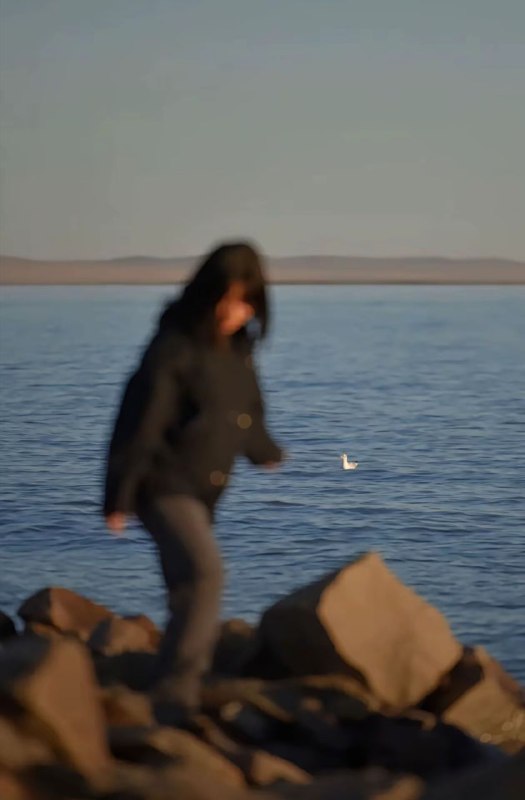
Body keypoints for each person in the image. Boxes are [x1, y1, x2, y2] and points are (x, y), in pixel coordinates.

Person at [102, 241, 283, 719]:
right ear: (206, 295)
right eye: (227, 300)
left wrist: (265, 453)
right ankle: (175, 696)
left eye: (245, 303)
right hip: (160, 485)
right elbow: (139, 421)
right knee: (206, 574)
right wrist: (118, 494)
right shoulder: (174, 348)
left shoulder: (238, 353)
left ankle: (168, 689)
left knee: (188, 590)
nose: (234, 313)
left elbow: (246, 415)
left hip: (202, 492)